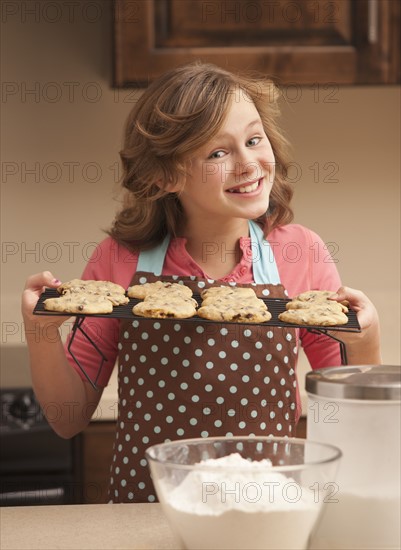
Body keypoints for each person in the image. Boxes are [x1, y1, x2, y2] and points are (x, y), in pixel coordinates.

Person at [22, 62, 382, 503]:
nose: (248, 163)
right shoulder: (120, 260)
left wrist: (366, 341)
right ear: (165, 175)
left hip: (261, 511)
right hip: (145, 510)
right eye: (217, 153)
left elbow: (351, 417)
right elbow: (68, 417)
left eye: (253, 140)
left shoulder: (300, 253)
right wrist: (40, 333)